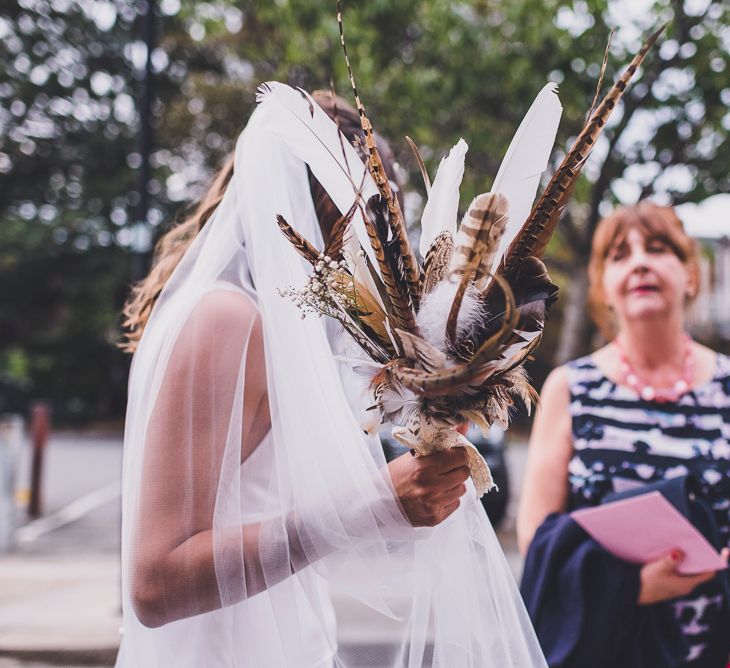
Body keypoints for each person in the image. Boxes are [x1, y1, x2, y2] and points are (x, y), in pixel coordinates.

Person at [115, 83, 546, 667]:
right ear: (318, 198)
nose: (394, 247)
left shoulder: (274, 329)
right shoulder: (226, 319)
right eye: (380, 210)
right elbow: (154, 583)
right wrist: (370, 506)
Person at [517, 201, 730, 667]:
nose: (639, 262)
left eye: (658, 248)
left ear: (690, 275)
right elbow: (537, 539)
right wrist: (632, 586)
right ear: (603, 289)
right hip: (605, 649)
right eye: (619, 254)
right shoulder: (570, 388)